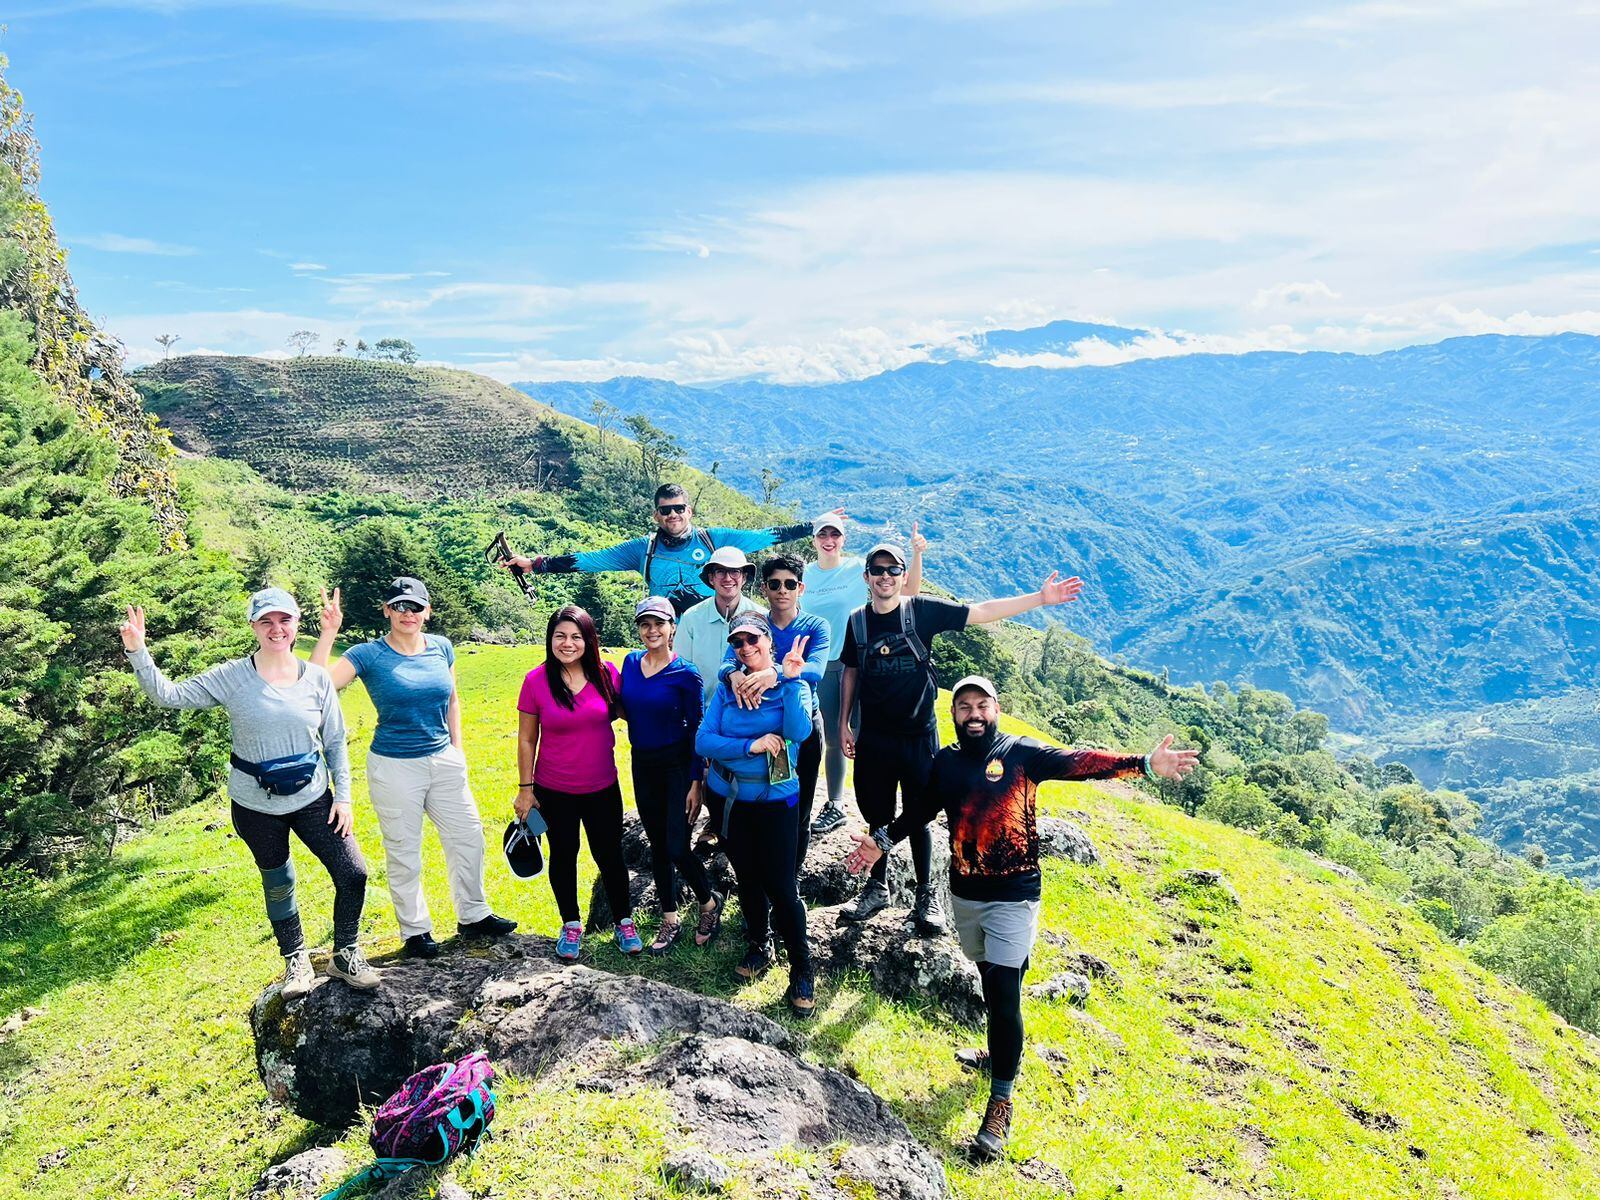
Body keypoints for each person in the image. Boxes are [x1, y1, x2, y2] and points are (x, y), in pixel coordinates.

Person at [846, 676, 1198, 1161]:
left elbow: (1079, 762)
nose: (973, 714)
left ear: (996, 708)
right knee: (990, 978)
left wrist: (1143, 764)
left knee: (1004, 989)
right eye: (964, 706)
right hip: (966, 894)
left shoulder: (1021, 753)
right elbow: (920, 810)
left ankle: (1001, 1100)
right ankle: (999, 1051)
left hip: (1015, 894)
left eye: (982, 705)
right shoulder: (946, 762)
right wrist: (880, 842)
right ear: (954, 713)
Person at [119, 588, 377, 995]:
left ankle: (345, 953)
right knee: (278, 881)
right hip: (255, 804)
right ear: (253, 626)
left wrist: (343, 797)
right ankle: (296, 961)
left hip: (314, 797)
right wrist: (138, 650)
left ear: (296, 625)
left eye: (284, 620)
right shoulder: (232, 677)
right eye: (266, 621)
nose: (276, 629)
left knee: (353, 873)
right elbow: (167, 695)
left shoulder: (316, 679)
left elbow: (334, 741)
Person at [838, 543, 1086, 936]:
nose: (886, 576)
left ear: (903, 575)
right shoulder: (857, 622)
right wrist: (844, 723)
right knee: (877, 815)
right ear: (866, 576)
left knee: (917, 814)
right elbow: (851, 670)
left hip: (918, 737)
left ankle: (925, 894)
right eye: (878, 570)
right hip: (875, 738)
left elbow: (981, 612)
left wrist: (1040, 599)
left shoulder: (920, 611)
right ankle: (876, 887)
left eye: (893, 569)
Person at [311, 577, 517, 960]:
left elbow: (452, 701)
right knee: (404, 851)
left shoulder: (441, 647)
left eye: (416, 606)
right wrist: (328, 633)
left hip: (443, 760)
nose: (408, 613)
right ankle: (416, 931)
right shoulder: (368, 654)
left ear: (428, 611)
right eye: (399, 606)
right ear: (387, 610)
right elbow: (316, 686)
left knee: (469, 837)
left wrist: (457, 752)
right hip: (393, 767)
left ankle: (473, 915)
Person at [695, 612, 818, 1018]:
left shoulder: (791, 685)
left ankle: (802, 967)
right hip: (728, 798)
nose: (746, 648)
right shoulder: (728, 688)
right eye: (738, 642)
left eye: (753, 640)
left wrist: (793, 679)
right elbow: (703, 741)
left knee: (781, 885)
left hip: (777, 799)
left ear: (768, 642)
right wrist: (751, 745)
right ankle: (758, 944)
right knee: (746, 875)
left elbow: (799, 733)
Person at [500, 481, 838, 615]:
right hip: (666, 635)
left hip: (713, 627)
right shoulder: (642, 549)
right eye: (665, 510)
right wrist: (536, 564)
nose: (673, 515)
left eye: (678, 508)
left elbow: (766, 536)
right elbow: (592, 560)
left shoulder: (713, 539)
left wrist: (814, 525)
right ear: (656, 515)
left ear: (689, 511)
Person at [514, 605, 639, 960]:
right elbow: (526, 739)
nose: (567, 644)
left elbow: (633, 712)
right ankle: (570, 924)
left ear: (589, 640)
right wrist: (525, 790)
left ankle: (624, 921)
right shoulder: (536, 681)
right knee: (563, 855)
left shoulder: (606, 674)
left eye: (576, 636)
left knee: (610, 856)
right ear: (550, 639)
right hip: (554, 791)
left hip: (603, 787)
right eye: (560, 636)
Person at [802, 513, 925, 835]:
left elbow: (908, 591)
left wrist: (916, 554)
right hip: (824, 664)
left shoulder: (859, 569)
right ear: (814, 540)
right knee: (834, 737)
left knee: (869, 735)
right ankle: (835, 804)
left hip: (865, 663)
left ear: (844, 539)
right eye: (823, 535)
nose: (829, 541)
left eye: (835, 535)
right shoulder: (805, 575)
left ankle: (883, 811)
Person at [618, 596, 723, 953]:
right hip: (642, 764)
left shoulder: (686, 673)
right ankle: (669, 917)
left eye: (659, 624)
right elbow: (622, 706)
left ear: (672, 628)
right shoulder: (631, 663)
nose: (652, 630)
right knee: (658, 845)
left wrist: (697, 781)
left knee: (677, 845)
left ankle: (709, 903)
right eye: (645, 624)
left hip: (678, 767)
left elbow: (697, 728)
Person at [711, 554, 831, 867]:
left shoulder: (816, 626)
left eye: (789, 584)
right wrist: (732, 674)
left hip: (800, 722)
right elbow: (727, 661)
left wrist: (774, 673)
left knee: (800, 803)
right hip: (761, 727)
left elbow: (816, 670)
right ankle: (763, 872)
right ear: (764, 588)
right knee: (766, 800)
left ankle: (791, 874)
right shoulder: (754, 624)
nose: (782, 591)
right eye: (775, 584)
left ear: (800, 588)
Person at [675, 546, 765, 852]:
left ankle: (741, 825)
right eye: (721, 572)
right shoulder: (692, 618)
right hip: (703, 708)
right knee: (708, 770)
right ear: (711, 578)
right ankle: (714, 822)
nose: (728, 578)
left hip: (749, 707)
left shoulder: (759, 616)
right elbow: (683, 671)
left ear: (744, 577)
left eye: (735, 572)